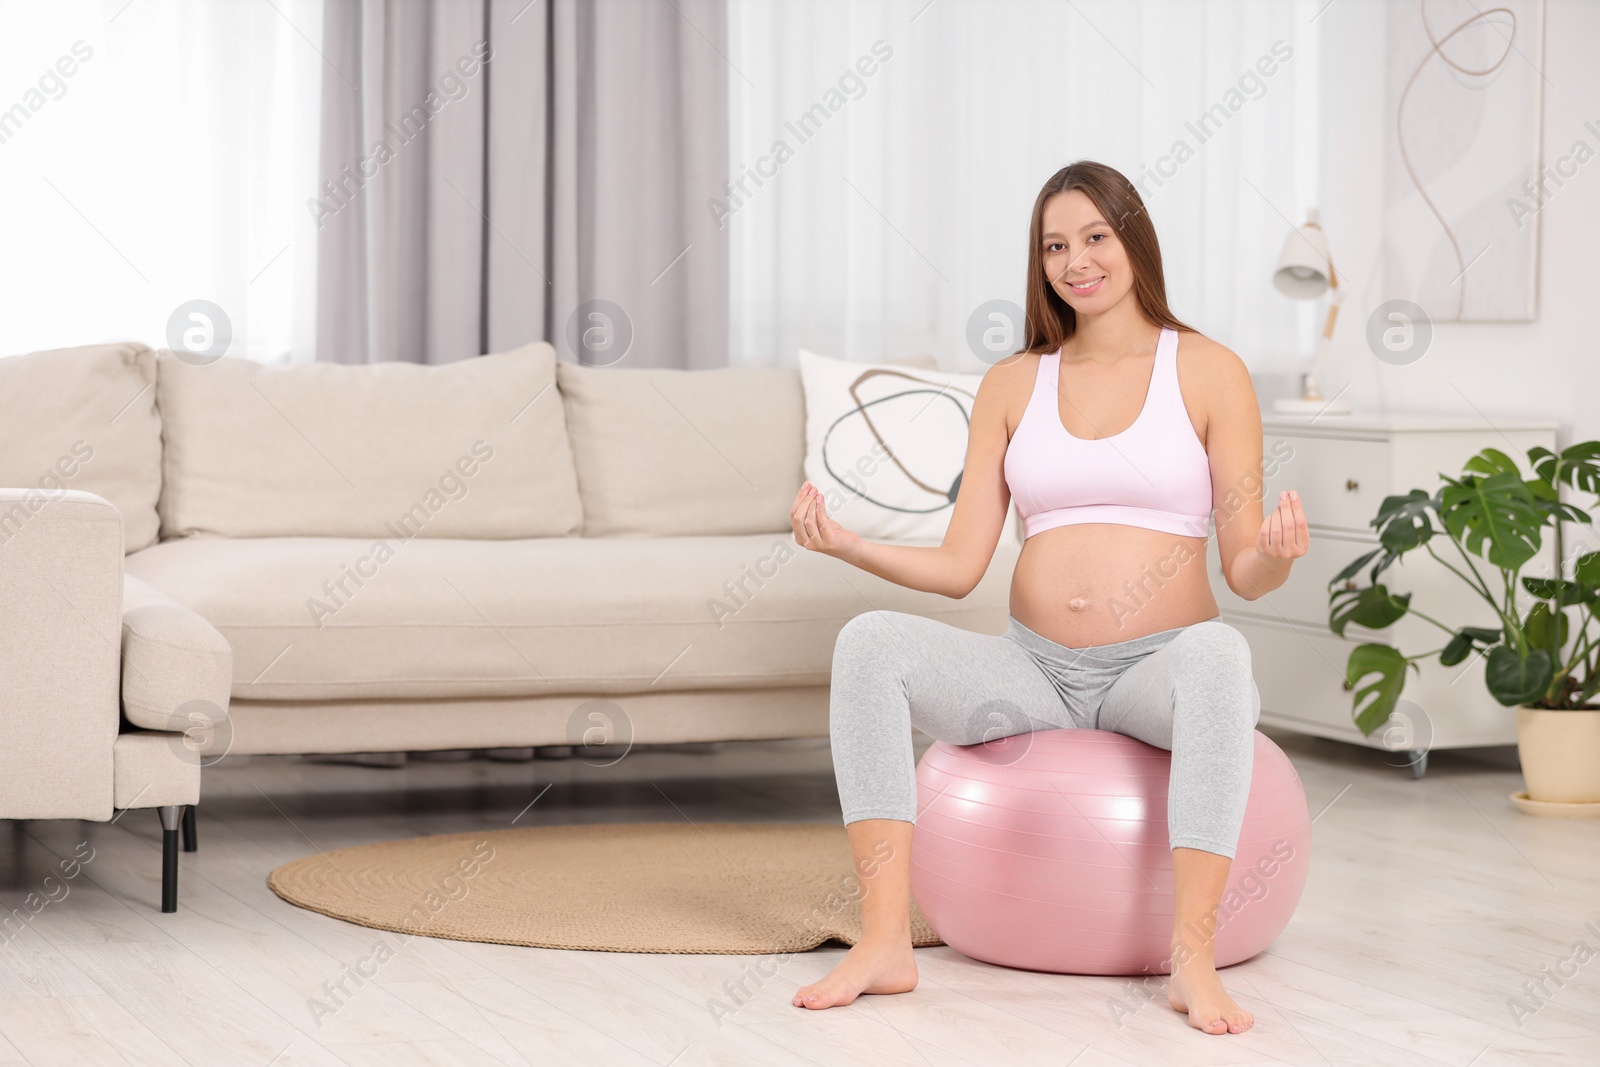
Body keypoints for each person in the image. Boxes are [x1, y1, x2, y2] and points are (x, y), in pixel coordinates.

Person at [787, 160, 1309, 1036]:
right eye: (1054, 245)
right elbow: (961, 564)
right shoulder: (1012, 382)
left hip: (1158, 670)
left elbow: (1242, 566)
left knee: (1223, 653)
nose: (1076, 261)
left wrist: (1277, 556)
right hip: (1034, 670)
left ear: (1133, 239)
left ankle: (1192, 962)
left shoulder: (1210, 371)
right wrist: (849, 543)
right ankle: (884, 942)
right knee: (868, 641)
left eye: (1095, 237)